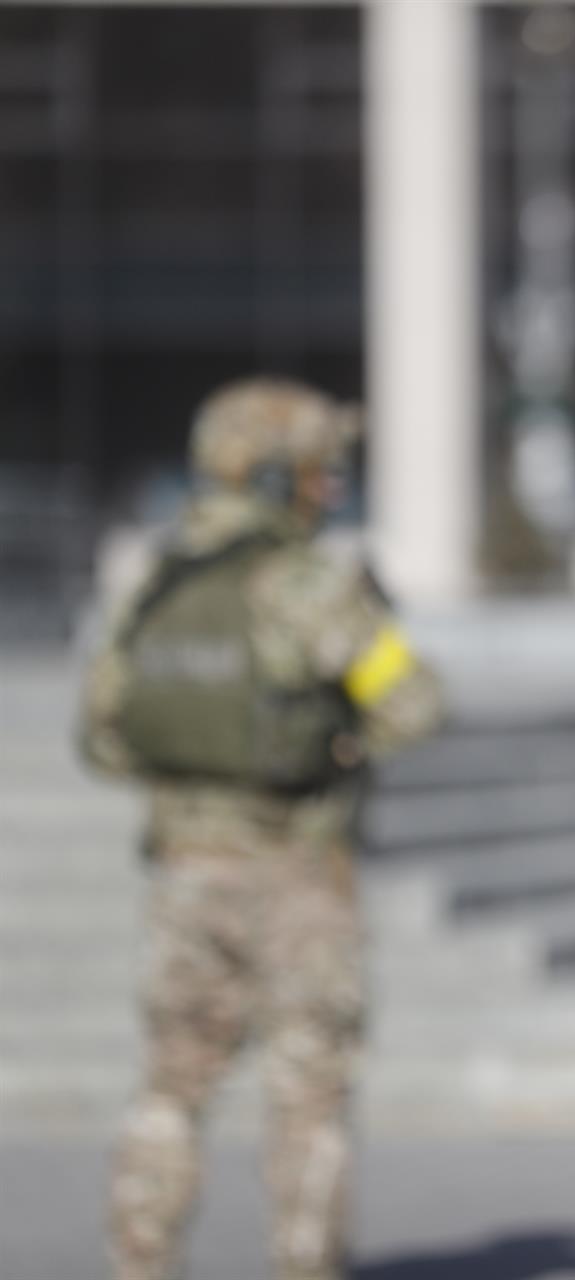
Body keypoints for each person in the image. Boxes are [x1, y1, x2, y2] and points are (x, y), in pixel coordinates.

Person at [78, 377, 444, 1280]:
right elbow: (414, 704)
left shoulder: (154, 584)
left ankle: (139, 1261)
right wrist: (339, 743)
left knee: (170, 1090)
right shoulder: (309, 581)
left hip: (183, 874)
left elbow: (103, 736)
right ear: (277, 476)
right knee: (308, 1101)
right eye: (320, 470)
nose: (331, 486)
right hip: (295, 876)